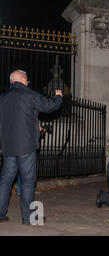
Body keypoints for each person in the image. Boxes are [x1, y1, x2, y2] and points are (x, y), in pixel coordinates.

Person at [0, 69, 63, 224]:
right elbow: (49, 106)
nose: (28, 83)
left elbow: (17, 120)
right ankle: (28, 217)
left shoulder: (2, 98)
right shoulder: (29, 94)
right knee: (28, 181)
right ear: (22, 79)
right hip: (26, 147)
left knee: (6, 180)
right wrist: (58, 97)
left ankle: (0, 213)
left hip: (8, 147)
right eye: (27, 81)